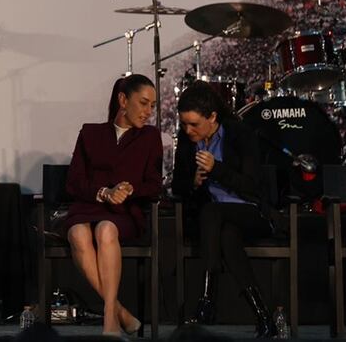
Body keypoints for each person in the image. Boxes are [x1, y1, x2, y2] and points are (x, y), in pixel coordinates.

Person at [172, 81, 278, 338]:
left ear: (212, 117)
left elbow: (252, 186)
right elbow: (177, 186)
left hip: (251, 211)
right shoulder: (188, 142)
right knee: (227, 235)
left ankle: (208, 298)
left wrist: (216, 169)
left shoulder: (240, 135)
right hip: (216, 222)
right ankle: (265, 318)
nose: (188, 130)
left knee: (213, 213)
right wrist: (194, 183)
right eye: (184, 124)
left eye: (194, 124)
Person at [61, 74, 162, 337]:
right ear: (122, 100)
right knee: (77, 233)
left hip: (124, 213)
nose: (148, 111)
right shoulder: (90, 133)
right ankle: (121, 313)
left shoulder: (150, 137)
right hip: (89, 206)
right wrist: (104, 192)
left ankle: (109, 319)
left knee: (105, 229)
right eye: (143, 103)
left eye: (152, 105)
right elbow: (73, 183)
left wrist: (130, 189)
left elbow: (154, 185)